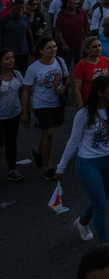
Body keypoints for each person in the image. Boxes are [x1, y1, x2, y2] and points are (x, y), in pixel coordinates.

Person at [54, 76, 109, 242]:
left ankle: (82, 222)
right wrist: (60, 168)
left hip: (108, 162)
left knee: (100, 199)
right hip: (88, 164)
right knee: (100, 204)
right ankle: (104, 245)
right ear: (99, 92)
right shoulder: (83, 114)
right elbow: (73, 141)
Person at [22, 36, 69, 180]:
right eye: (49, 47)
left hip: (56, 103)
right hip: (40, 104)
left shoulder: (60, 61)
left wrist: (64, 87)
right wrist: (24, 112)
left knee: (48, 133)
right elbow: (26, 90)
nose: (53, 49)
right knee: (49, 133)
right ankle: (47, 166)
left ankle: (37, 151)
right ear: (41, 51)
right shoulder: (33, 68)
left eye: (54, 46)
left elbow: (66, 78)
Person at [0, 49, 24, 181]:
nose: (11, 60)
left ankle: (12, 170)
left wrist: (25, 111)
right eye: (7, 58)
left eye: (12, 58)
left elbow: (24, 91)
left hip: (14, 114)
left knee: (11, 143)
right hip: (0, 117)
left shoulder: (17, 74)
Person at [73, 37, 109, 110]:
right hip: (89, 102)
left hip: (105, 101)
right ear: (87, 49)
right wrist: (80, 107)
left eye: (99, 46)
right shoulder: (81, 65)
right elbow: (77, 88)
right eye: (94, 47)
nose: (98, 48)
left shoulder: (106, 61)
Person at [54, 0, 89, 72]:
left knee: (80, 64)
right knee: (66, 65)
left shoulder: (82, 14)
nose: (72, 4)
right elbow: (58, 31)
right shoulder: (61, 16)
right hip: (67, 45)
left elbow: (86, 26)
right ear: (66, 3)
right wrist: (63, 44)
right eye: (70, 2)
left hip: (80, 44)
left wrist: (86, 38)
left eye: (74, 2)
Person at [0, 0, 32, 75]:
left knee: (23, 71)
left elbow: (28, 31)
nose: (18, 10)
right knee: (12, 71)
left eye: (21, 8)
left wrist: (32, 45)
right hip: (10, 51)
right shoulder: (5, 20)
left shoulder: (24, 18)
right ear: (12, 7)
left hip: (24, 50)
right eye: (16, 8)